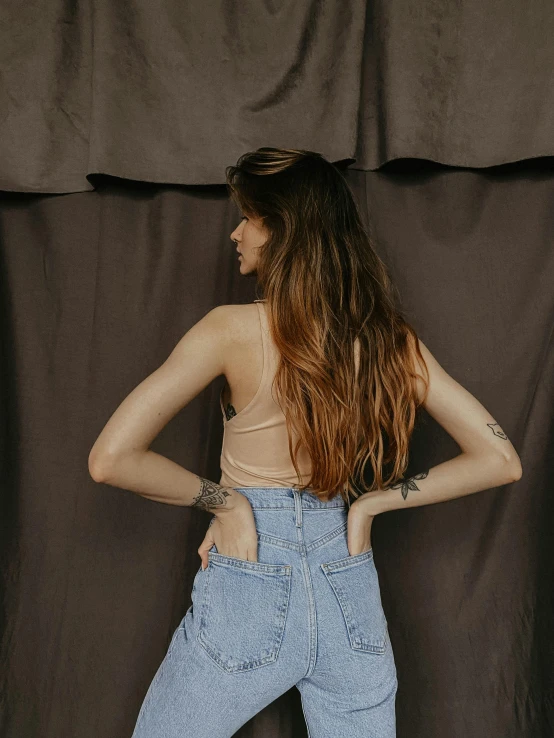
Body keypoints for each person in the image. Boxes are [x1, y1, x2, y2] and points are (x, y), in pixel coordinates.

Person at [88, 147, 522, 738]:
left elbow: (111, 458)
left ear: (283, 230)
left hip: (251, 571)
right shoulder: (386, 341)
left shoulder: (229, 330)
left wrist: (229, 502)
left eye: (250, 218)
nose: (236, 232)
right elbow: (499, 457)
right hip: (347, 574)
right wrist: (369, 505)